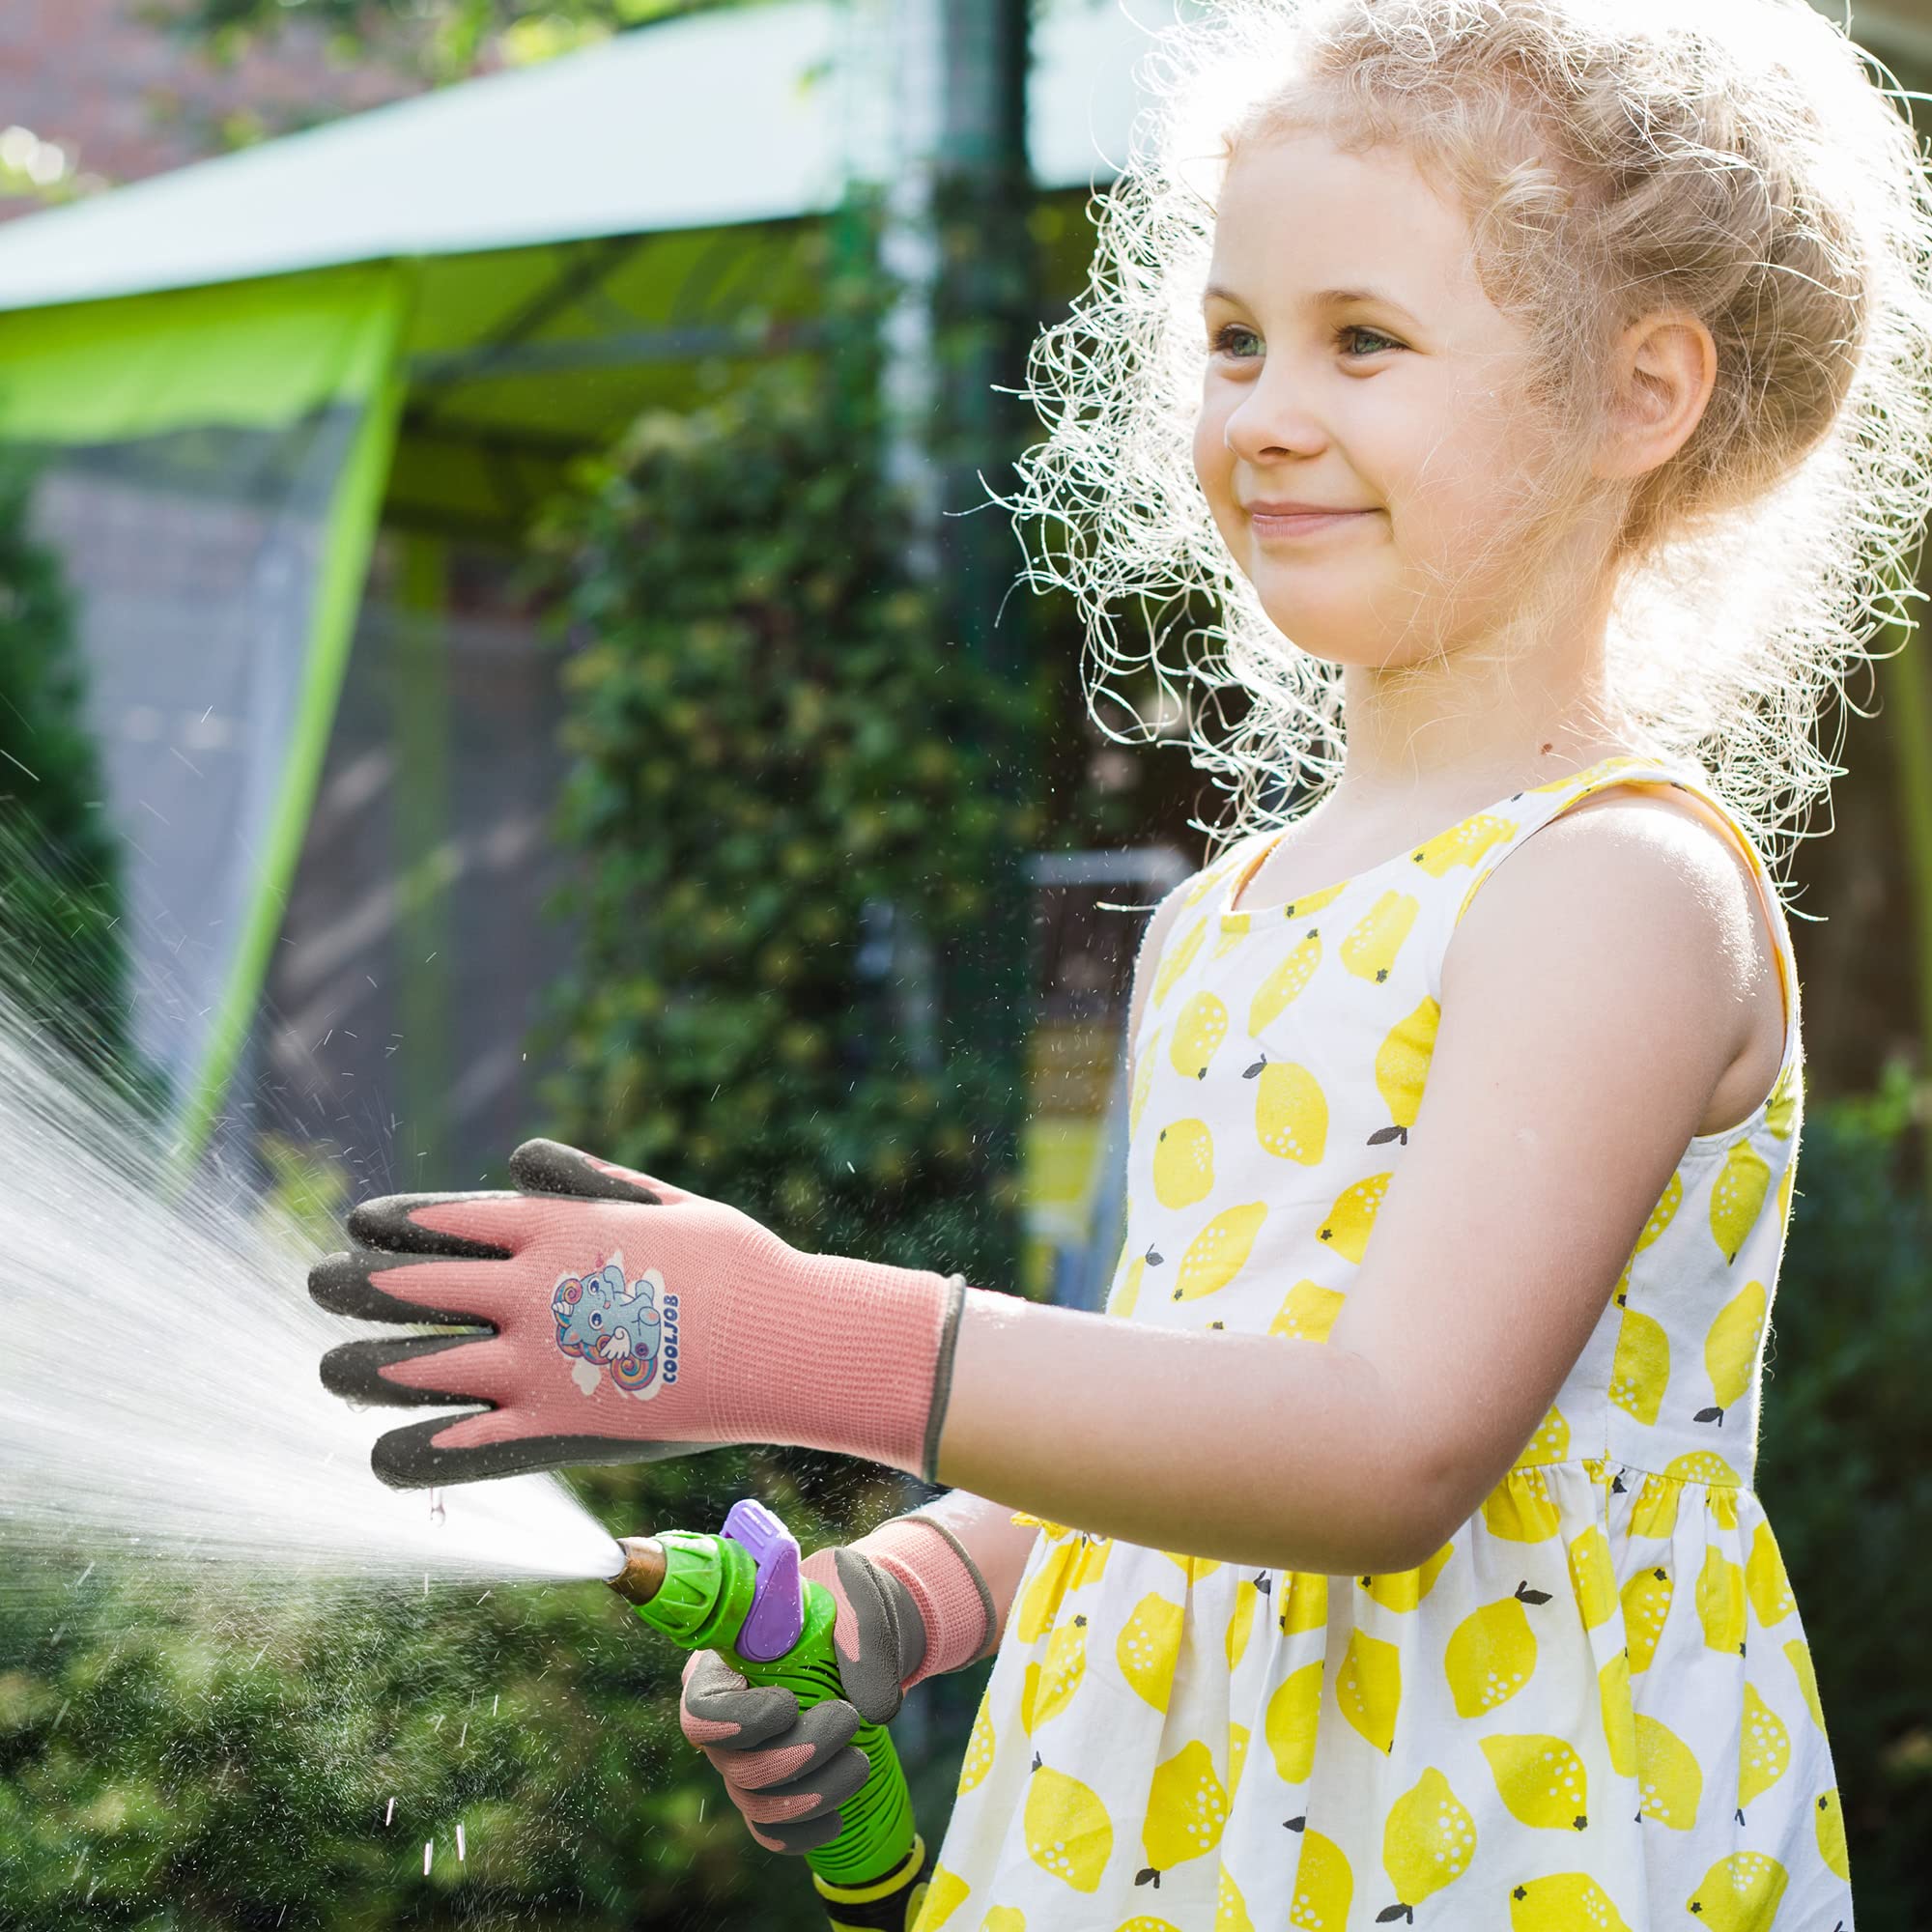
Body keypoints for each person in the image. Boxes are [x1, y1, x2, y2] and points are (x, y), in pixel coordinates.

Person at [313, 0, 1932, 1922]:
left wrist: (796, 1338)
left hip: (1503, 1821)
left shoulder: (1612, 892)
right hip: (1165, 1826)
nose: (1263, 412)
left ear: (1636, 395)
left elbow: (1383, 1446)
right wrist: (900, 1602)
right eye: (1234, 339)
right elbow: (1198, 1399)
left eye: (1364, 340)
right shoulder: (1217, 921)